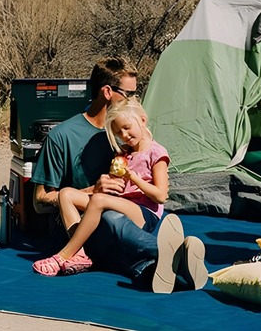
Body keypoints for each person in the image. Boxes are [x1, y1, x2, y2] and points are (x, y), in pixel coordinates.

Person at [30, 56, 207, 292]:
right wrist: (92, 190)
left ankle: (165, 267)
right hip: (85, 227)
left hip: (125, 220)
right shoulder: (63, 136)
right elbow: (39, 200)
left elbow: (153, 174)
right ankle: (167, 259)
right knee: (109, 220)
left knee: (113, 221)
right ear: (107, 91)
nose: (134, 99)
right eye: (129, 93)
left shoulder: (130, 136)